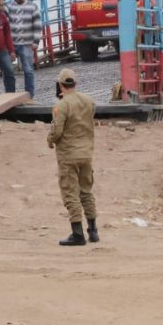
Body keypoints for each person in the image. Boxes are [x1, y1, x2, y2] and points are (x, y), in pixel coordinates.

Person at [46, 68, 99, 247]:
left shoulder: (62, 105)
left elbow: (57, 130)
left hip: (68, 154)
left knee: (70, 192)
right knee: (86, 191)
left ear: (60, 85)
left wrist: (50, 140)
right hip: (86, 153)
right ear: (75, 83)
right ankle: (93, 230)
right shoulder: (89, 101)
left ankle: (77, 233)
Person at [7, 0, 43, 98]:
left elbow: (37, 25)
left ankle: (29, 95)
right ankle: (9, 95)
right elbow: (3, 21)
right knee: (7, 70)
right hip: (12, 44)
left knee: (28, 70)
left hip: (27, 44)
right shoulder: (9, 7)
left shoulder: (32, 7)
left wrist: (36, 42)